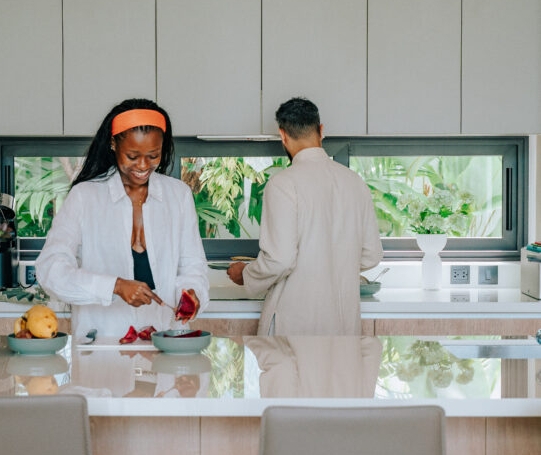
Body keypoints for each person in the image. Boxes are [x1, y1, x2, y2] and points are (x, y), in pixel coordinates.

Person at [36, 98, 210, 340]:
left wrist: (192, 293)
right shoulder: (85, 196)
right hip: (101, 342)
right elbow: (50, 270)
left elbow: (193, 266)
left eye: (153, 155)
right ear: (113, 144)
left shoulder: (178, 195)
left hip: (164, 340)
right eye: (132, 156)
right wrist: (115, 286)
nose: (143, 165)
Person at [227, 97, 382, 335]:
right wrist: (332, 265)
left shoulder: (283, 184)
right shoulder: (355, 182)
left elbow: (280, 260)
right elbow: (371, 255)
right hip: (343, 325)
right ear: (321, 130)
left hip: (294, 322)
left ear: (283, 135)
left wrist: (245, 274)